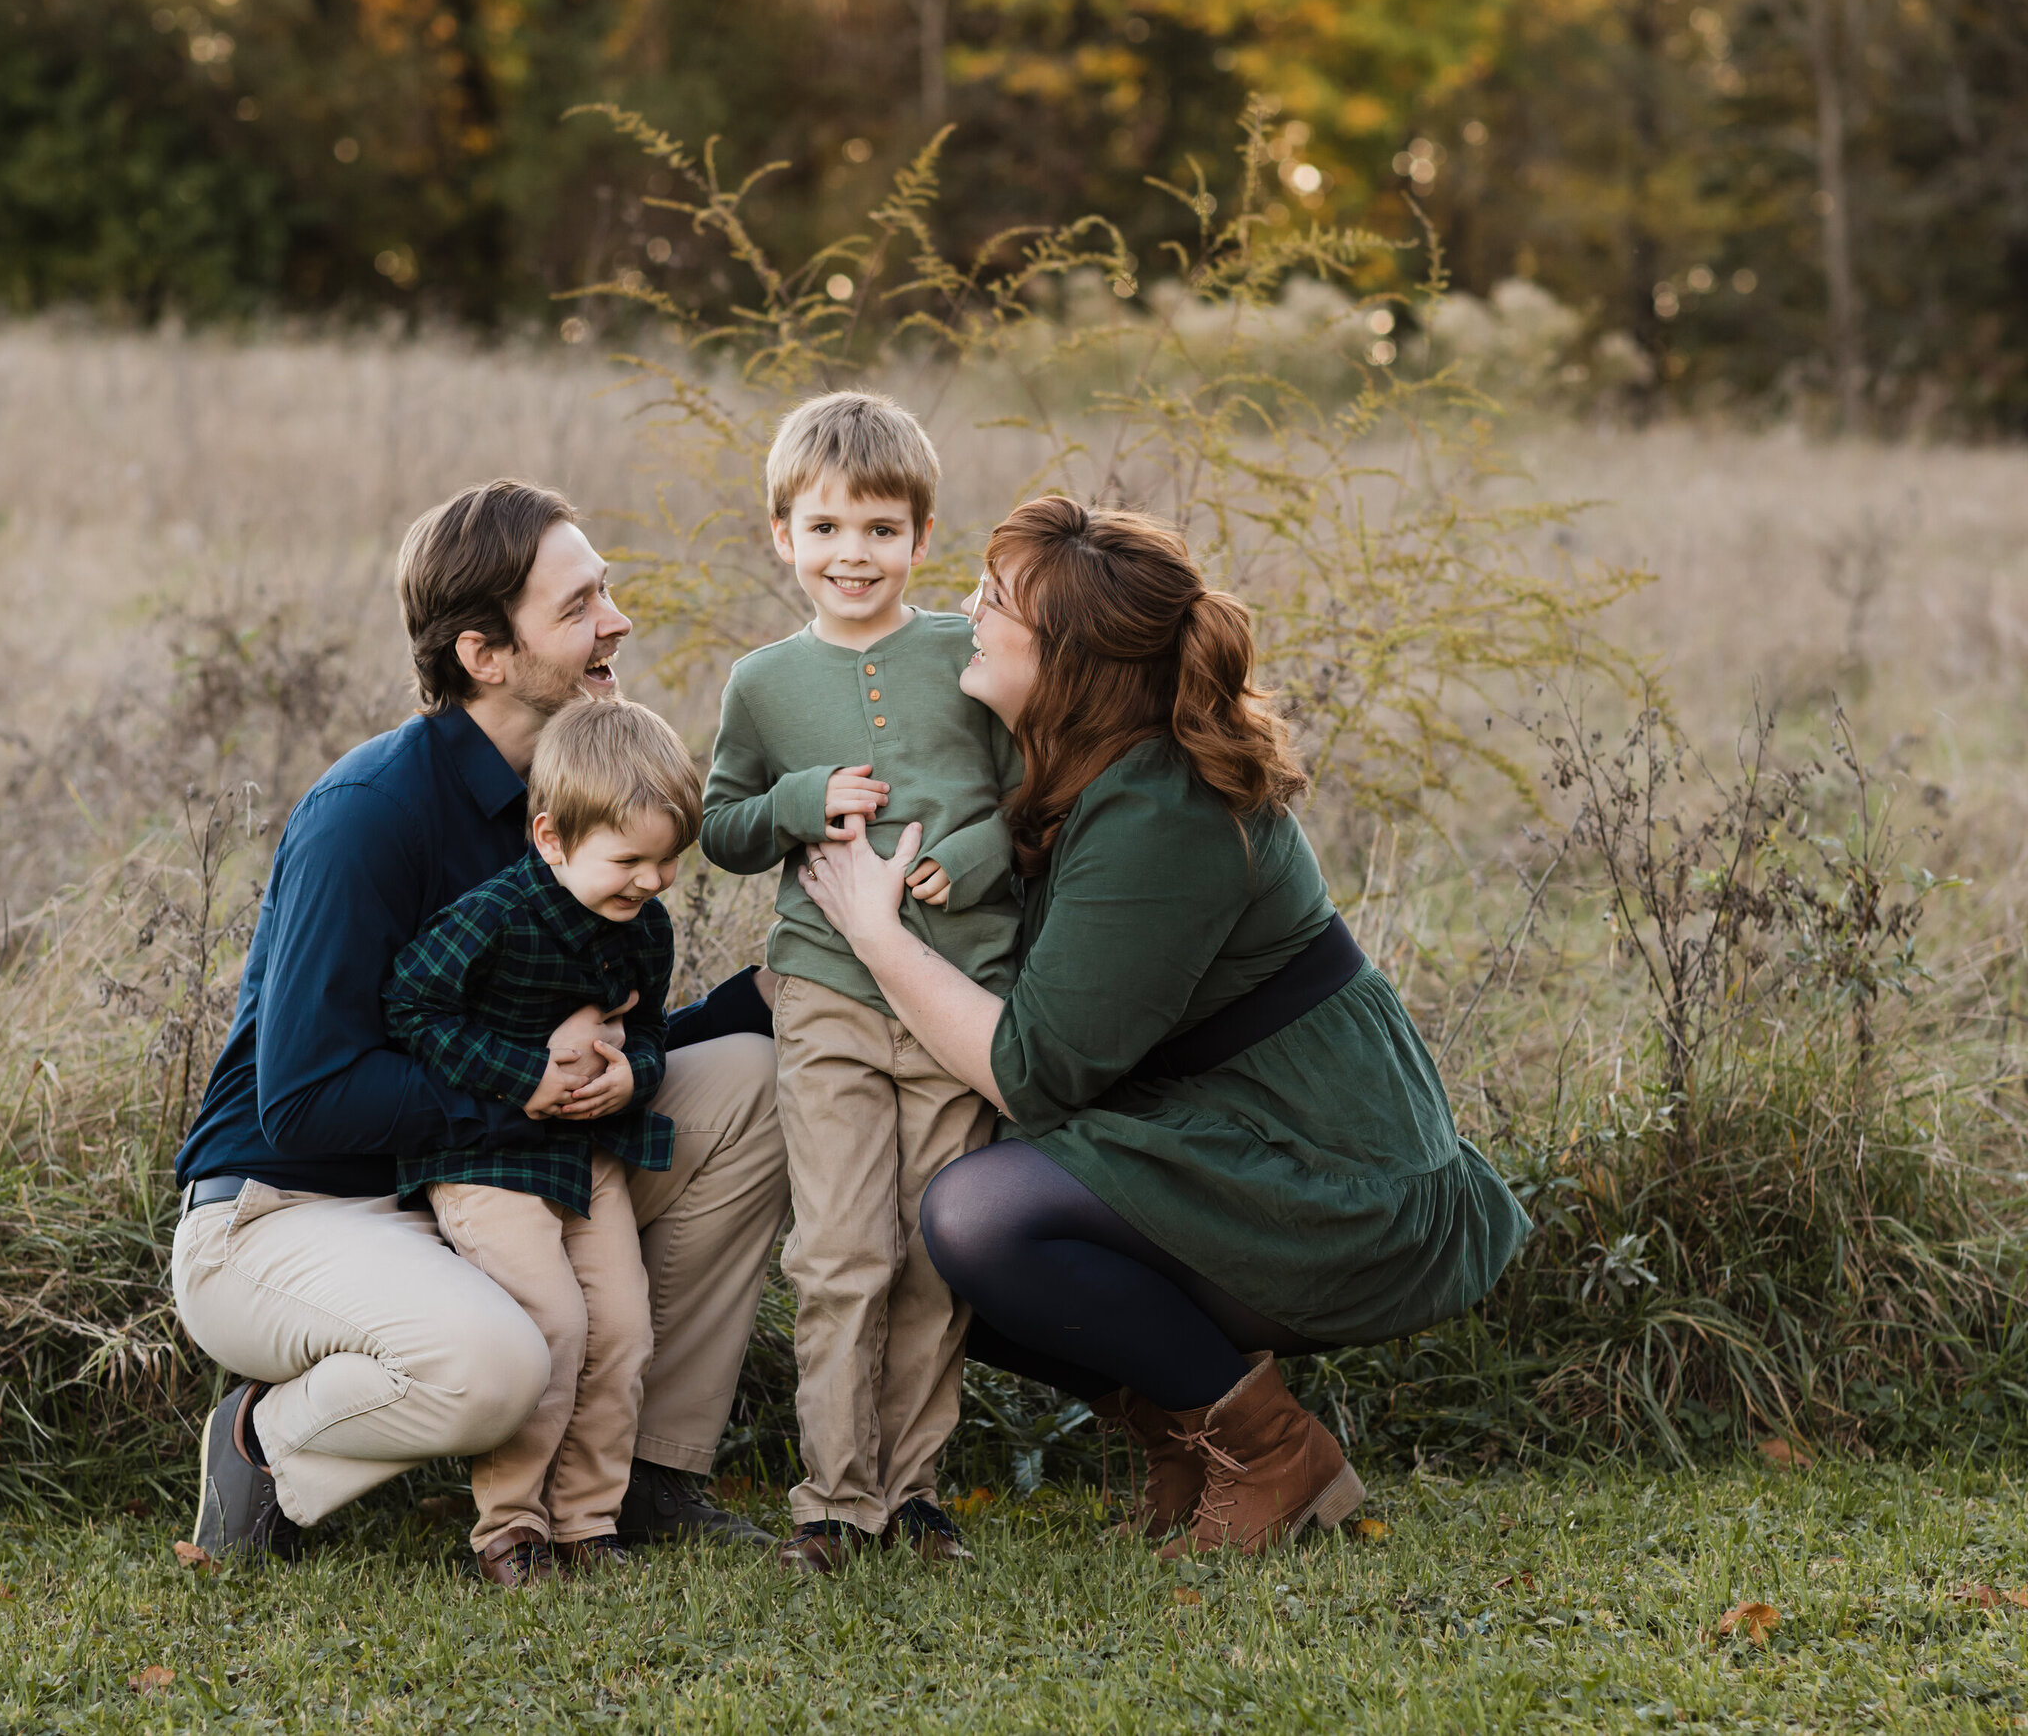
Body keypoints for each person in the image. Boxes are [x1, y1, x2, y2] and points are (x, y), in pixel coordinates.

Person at [798, 496, 1532, 1559]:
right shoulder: (1084, 767)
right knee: (934, 1196)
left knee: (976, 1214)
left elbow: (1032, 1069)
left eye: (995, 601)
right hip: (1235, 1134)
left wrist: (876, 933)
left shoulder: (1162, 807)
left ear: (1072, 662)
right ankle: (1194, 1436)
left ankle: (1273, 1449)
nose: (968, 609)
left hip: (1338, 1175)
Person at [171, 480, 784, 1561]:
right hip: (290, 1208)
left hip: (490, 1169)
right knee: (502, 1362)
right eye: (580, 604)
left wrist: (769, 998)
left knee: (749, 1079)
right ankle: (266, 1445)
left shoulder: (579, 791)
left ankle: (639, 1471)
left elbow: (586, 1039)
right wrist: (525, 1081)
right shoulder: (369, 817)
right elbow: (305, 1097)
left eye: (608, 591)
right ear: (484, 654)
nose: (617, 621)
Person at [700, 391, 1022, 1574]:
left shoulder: (963, 657)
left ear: (921, 539)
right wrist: (797, 802)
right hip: (826, 994)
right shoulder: (764, 682)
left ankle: (916, 1494)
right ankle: (833, 1502)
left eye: (881, 530)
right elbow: (721, 824)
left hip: (957, 997)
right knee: (841, 1252)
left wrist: (975, 858)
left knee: (936, 1249)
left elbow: (1030, 801)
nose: (854, 555)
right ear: (782, 534)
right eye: (827, 529)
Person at [378, 697, 705, 1586]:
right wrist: (522, 1072)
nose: (650, 880)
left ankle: (587, 1519)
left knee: (625, 1328)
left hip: (585, 1153)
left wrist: (635, 1069)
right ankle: (510, 1526)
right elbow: (409, 1004)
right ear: (553, 837)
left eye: (668, 860)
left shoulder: (647, 928)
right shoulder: (495, 916)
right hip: (486, 1157)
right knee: (553, 1325)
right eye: (629, 860)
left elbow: (651, 1027)